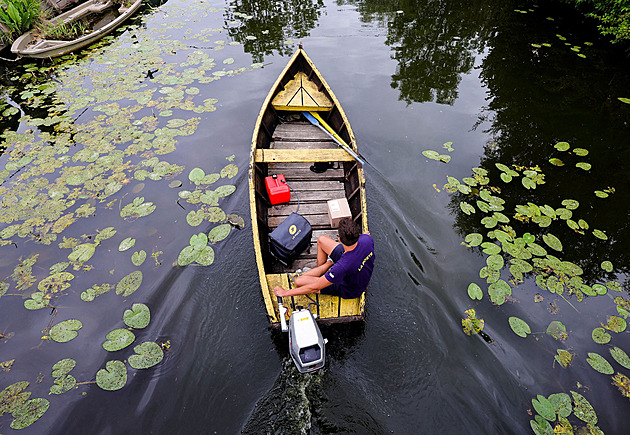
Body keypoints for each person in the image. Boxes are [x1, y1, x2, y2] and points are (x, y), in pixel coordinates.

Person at [273, 217, 375, 299]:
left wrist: (285, 293)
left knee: (299, 282)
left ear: (339, 239)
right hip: (353, 260)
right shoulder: (367, 239)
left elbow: (314, 287)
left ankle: (327, 270)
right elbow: (363, 237)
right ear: (357, 235)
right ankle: (326, 268)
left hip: (349, 289)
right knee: (322, 240)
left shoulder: (341, 267)